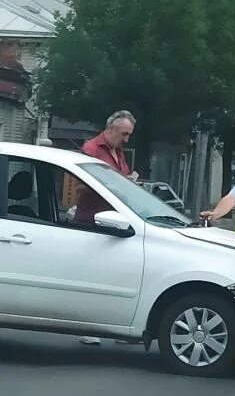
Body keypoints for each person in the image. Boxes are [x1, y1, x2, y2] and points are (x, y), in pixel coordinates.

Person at [77, 110, 139, 346]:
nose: (126, 139)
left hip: (114, 221)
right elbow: (86, 186)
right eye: (124, 134)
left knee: (115, 276)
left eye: (129, 135)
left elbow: (119, 181)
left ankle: (117, 327)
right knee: (93, 275)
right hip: (93, 220)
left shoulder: (118, 151)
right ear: (110, 129)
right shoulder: (92, 150)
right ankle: (88, 326)